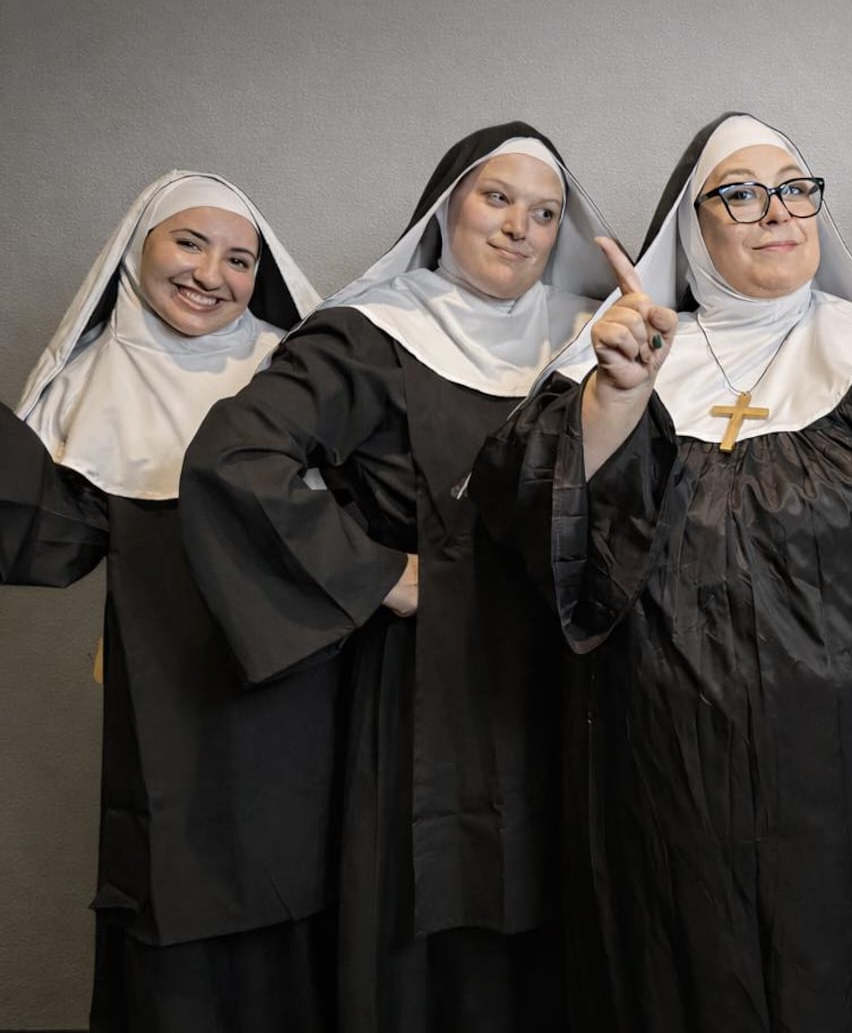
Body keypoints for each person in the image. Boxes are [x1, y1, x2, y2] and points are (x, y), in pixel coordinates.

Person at [470, 112, 852, 1033]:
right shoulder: (617, 359)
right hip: (661, 780)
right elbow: (536, 532)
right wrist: (618, 401)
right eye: (743, 193)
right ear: (694, 226)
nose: (777, 213)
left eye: (796, 189)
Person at [180, 123, 619, 1032]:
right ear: (445, 206)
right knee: (428, 957)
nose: (519, 229)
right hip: (425, 700)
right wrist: (375, 573)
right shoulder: (371, 336)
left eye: (544, 214)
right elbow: (237, 456)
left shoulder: (593, 344)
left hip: (567, 683)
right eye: (496, 198)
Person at [2, 171, 330, 1031]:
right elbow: (48, 541)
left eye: (238, 258)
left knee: (300, 906)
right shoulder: (91, 383)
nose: (209, 274)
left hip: (300, 700)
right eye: (189, 243)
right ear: (137, 248)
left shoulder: (296, 373)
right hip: (162, 705)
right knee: (166, 912)